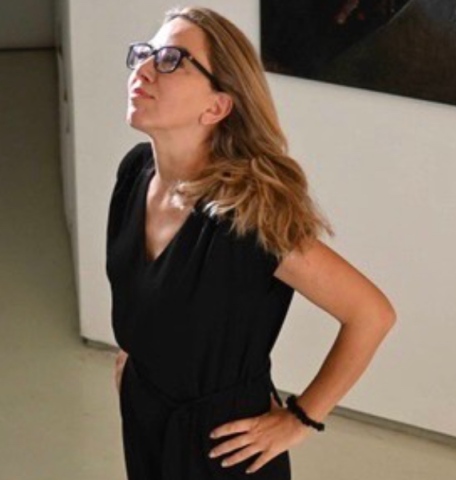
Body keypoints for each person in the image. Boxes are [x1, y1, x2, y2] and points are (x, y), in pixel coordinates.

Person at [105, 6, 396, 480]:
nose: (145, 68)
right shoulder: (136, 172)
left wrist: (301, 418)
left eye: (172, 59)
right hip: (146, 415)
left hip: (225, 447)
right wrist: (136, 355)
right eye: (145, 53)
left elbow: (371, 314)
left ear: (217, 107)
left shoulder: (247, 216)